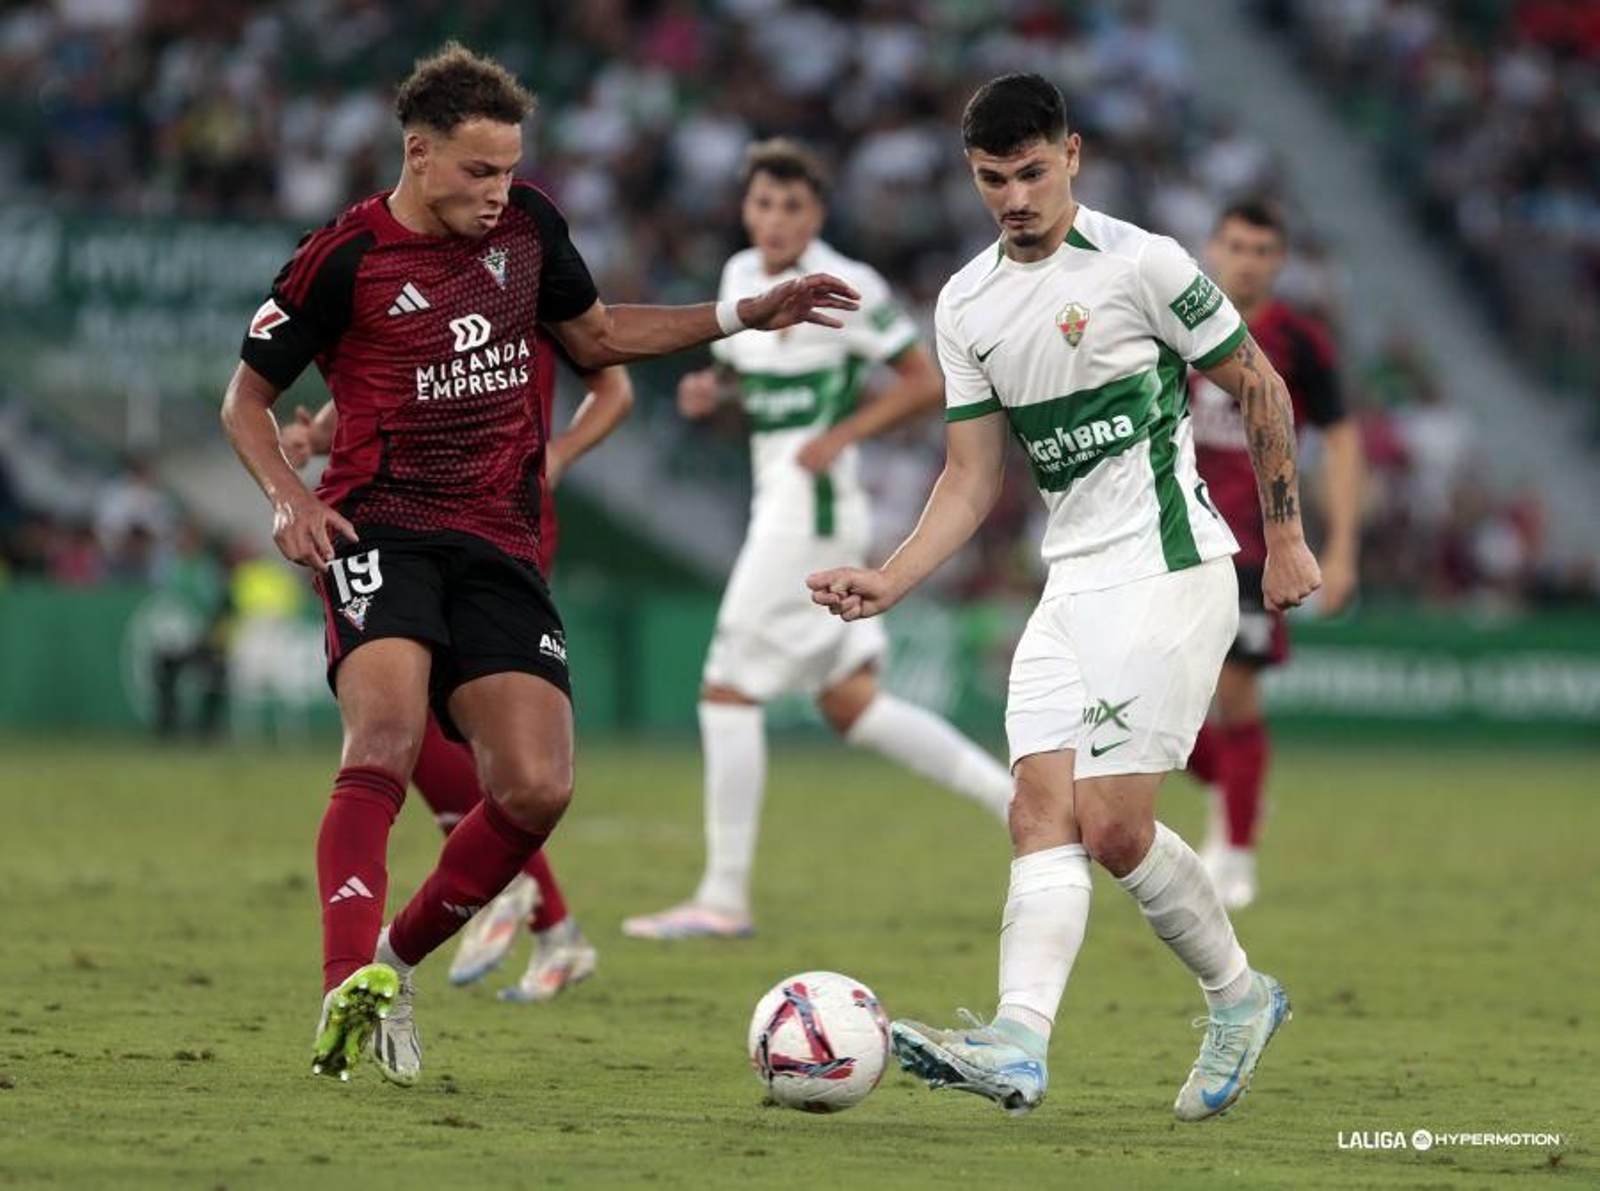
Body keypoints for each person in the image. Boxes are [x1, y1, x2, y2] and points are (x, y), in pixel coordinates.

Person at [221, 42, 858, 1086]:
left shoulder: (529, 229)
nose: (498, 190)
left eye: (510, 167)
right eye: (478, 170)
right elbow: (242, 399)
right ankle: (343, 983)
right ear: (419, 155)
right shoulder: (340, 258)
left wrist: (745, 312)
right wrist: (289, 498)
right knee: (383, 738)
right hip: (378, 523)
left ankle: (392, 965)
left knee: (535, 786)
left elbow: (600, 341)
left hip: (502, 538)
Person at [808, 74, 1320, 1121]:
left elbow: (1257, 384)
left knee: (1114, 828)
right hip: (1071, 583)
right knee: (1037, 810)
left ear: (1072, 155)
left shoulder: (1144, 265)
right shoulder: (965, 304)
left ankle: (1239, 996)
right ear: (971, 176)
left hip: (1170, 572)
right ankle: (1017, 1043)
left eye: (1033, 172)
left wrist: (1285, 537)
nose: (1015, 196)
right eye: (994, 179)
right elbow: (969, 478)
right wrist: (890, 580)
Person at [622, 139, 1013, 942]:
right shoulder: (739, 278)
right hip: (785, 497)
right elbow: (747, 395)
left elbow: (924, 381)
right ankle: (1022, 803)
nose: (774, 220)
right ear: (746, 207)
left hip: (813, 507)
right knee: (853, 705)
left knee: (727, 689)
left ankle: (723, 897)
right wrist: (710, 394)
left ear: (817, 214)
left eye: (791, 207)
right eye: (762, 204)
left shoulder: (850, 286)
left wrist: (844, 433)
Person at [279, 327, 633, 1001]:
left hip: (496, 523)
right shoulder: (416, 265)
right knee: (399, 726)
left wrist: (557, 455)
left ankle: (535, 903)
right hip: (408, 517)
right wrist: (320, 435)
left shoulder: (527, 264)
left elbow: (615, 382)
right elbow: (396, 375)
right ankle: (543, 912)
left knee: (444, 731)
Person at [1186, 199, 1364, 909]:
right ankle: (1236, 793)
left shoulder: (1300, 341)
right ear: (1212, 249)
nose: (1248, 260)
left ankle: (1236, 852)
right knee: (1151, 704)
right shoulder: (1180, 324)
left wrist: (1343, 547)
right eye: (1236, 245)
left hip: (1257, 547)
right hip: (1177, 537)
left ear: (1279, 260)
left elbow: (1343, 440)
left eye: (1262, 249)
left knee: (1235, 694)